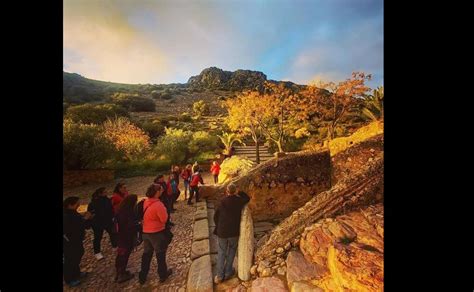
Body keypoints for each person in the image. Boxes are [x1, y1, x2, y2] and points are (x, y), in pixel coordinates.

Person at [213, 183, 250, 284]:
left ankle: (220, 276)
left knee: (221, 252)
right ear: (235, 191)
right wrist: (239, 192)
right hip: (233, 231)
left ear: (227, 191)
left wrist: (219, 226)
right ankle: (228, 272)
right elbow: (247, 198)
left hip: (222, 231)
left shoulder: (222, 201)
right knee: (232, 251)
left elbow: (215, 217)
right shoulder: (239, 201)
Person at [139, 185, 173, 284]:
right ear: (157, 192)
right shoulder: (158, 205)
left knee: (146, 254)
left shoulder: (146, 202)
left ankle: (142, 276)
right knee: (160, 254)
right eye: (161, 190)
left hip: (146, 232)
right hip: (157, 233)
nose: (162, 191)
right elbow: (164, 219)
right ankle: (163, 275)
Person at [63, 196, 94, 287]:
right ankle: (69, 279)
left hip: (76, 239)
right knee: (70, 260)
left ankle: (76, 273)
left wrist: (84, 217)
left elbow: (77, 220)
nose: (79, 205)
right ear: (70, 205)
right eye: (77, 204)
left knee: (78, 254)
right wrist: (85, 219)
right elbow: (72, 227)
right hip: (69, 241)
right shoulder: (65, 215)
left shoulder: (71, 212)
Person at [87, 187, 117, 260]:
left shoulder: (107, 200)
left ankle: (115, 246)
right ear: (99, 193)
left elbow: (111, 209)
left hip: (108, 221)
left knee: (112, 233)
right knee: (98, 237)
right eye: (104, 192)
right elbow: (91, 214)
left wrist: (112, 217)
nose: (106, 193)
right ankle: (97, 252)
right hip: (97, 223)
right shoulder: (93, 203)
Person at [114, 194, 138, 283]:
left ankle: (120, 272)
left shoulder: (120, 210)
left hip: (120, 236)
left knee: (121, 255)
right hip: (125, 237)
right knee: (124, 255)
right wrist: (139, 225)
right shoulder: (127, 213)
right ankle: (121, 274)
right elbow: (130, 226)